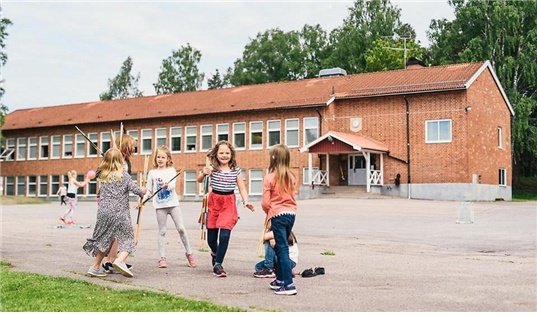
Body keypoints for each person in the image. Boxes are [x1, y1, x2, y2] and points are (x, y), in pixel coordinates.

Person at [83, 148, 147, 278]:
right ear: (120, 161)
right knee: (128, 237)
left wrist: (107, 158)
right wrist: (143, 190)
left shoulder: (103, 174)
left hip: (103, 212)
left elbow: (99, 169)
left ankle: (95, 267)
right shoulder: (124, 175)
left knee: (105, 239)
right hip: (119, 212)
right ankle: (120, 260)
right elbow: (137, 191)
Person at [196, 140, 254, 277]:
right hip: (214, 202)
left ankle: (218, 264)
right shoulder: (212, 169)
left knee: (225, 235)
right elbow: (199, 180)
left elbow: (241, 187)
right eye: (221, 153)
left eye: (227, 153)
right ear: (216, 154)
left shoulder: (235, 170)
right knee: (211, 239)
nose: (224, 155)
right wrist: (203, 173)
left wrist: (246, 202)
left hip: (229, 203)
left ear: (231, 155)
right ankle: (215, 253)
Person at [144, 145, 196, 269]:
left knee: (181, 228)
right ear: (155, 158)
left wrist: (167, 186)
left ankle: (189, 253)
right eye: (158, 157)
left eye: (163, 157)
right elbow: (149, 190)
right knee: (162, 231)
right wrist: (143, 199)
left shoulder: (171, 170)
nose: (160, 159)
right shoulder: (152, 173)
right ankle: (162, 257)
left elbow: (172, 185)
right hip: (160, 206)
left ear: (168, 159)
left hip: (173, 204)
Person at [261, 144, 298, 295]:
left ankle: (288, 284)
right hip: (291, 214)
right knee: (280, 246)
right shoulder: (292, 177)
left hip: (277, 214)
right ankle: (281, 279)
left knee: (281, 248)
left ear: (273, 158)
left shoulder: (269, 177)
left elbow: (265, 202)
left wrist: (268, 214)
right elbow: (293, 197)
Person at [101, 134, 136, 273]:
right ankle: (110, 260)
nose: (133, 148)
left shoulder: (125, 160)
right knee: (117, 231)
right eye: (131, 145)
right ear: (124, 145)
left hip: (120, 201)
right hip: (112, 201)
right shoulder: (116, 159)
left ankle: (111, 259)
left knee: (116, 233)